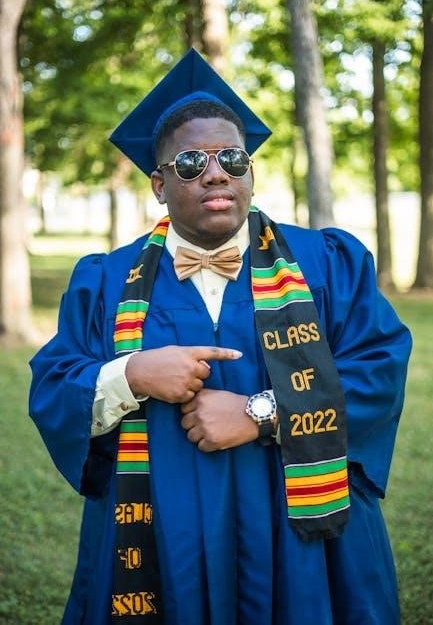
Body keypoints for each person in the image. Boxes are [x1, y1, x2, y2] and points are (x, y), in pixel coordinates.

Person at [29, 49, 412, 625]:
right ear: (159, 184)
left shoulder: (328, 263)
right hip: (160, 534)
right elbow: (55, 386)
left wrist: (263, 413)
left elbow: (378, 371)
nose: (216, 173)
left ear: (250, 173)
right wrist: (130, 375)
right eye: (190, 163)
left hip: (301, 535)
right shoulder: (105, 281)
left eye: (232, 158)